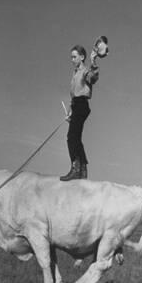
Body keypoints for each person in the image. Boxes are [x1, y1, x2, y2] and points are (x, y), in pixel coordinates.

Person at [60, 41, 104, 181]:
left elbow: (93, 78)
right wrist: (69, 112)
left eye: (74, 57)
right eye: (71, 57)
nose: (72, 60)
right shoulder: (75, 73)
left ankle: (76, 168)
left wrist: (93, 61)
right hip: (76, 106)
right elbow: (73, 94)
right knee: (76, 137)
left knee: (71, 137)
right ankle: (82, 169)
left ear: (82, 57)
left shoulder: (85, 71)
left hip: (82, 105)